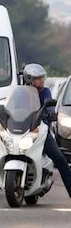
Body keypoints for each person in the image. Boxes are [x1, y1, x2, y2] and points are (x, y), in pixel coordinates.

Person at [23, 63, 71, 198]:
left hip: (40, 130)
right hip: (22, 130)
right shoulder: (21, 92)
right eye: (38, 78)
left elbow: (50, 109)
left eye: (42, 78)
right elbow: (13, 107)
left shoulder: (45, 92)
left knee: (60, 158)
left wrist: (50, 114)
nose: (42, 81)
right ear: (29, 79)